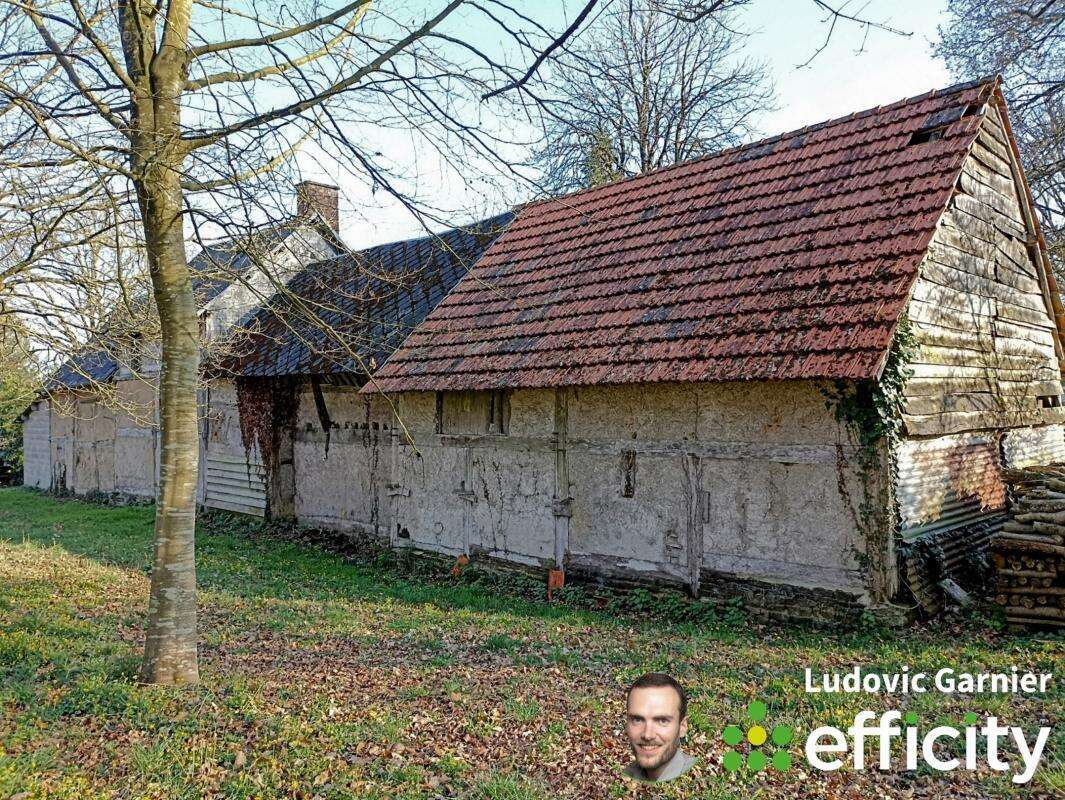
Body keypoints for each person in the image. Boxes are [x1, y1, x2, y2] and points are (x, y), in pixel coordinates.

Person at [623, 672, 697, 782]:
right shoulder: (626, 776)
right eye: (637, 720)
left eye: (662, 721)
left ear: (682, 727)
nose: (648, 735)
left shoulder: (698, 781)